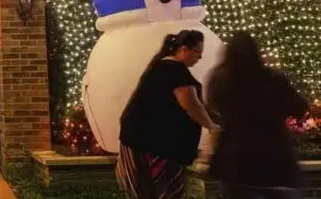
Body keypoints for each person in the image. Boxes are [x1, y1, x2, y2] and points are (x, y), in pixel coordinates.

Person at [117, 30, 219, 199]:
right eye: (198, 52)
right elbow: (191, 104)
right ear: (184, 49)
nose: (200, 57)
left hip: (139, 141)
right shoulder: (174, 70)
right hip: (156, 147)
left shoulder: (160, 66)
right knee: (166, 191)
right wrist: (211, 127)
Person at [207, 32, 308, 199]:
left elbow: (212, 108)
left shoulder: (220, 80)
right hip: (276, 158)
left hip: (237, 163)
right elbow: (299, 108)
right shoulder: (274, 79)